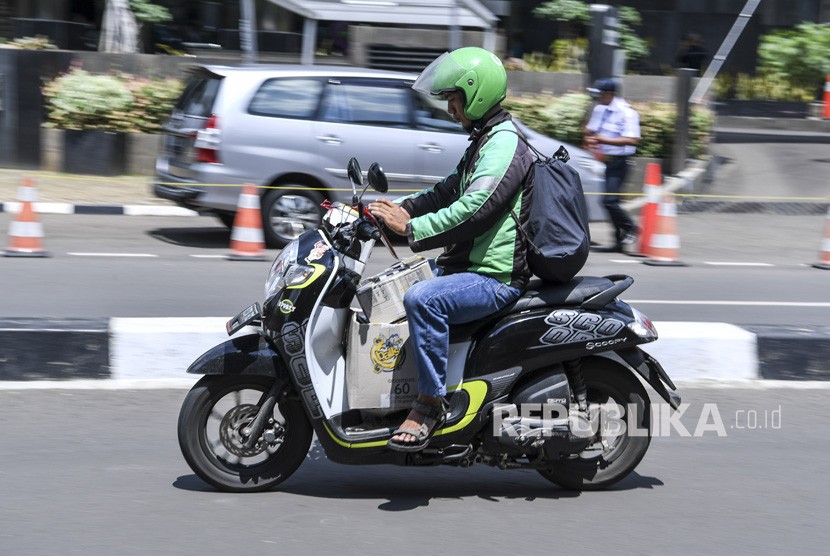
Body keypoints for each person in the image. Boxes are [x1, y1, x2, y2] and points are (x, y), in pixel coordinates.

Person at [369, 47, 534, 452]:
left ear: (474, 93)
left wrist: (411, 228)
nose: (450, 110)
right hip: (468, 267)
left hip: (493, 278)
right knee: (386, 290)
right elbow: (447, 191)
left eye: (453, 100)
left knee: (422, 298)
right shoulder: (485, 140)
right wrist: (398, 209)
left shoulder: (504, 144)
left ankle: (429, 405)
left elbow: (475, 209)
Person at [584, 77, 641, 253]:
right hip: (605, 161)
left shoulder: (627, 112)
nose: (597, 98)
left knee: (610, 201)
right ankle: (618, 241)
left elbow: (632, 140)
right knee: (606, 202)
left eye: (599, 95)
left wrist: (603, 139)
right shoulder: (600, 109)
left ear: (609, 94)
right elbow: (590, 131)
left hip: (620, 161)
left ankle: (631, 228)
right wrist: (590, 140)